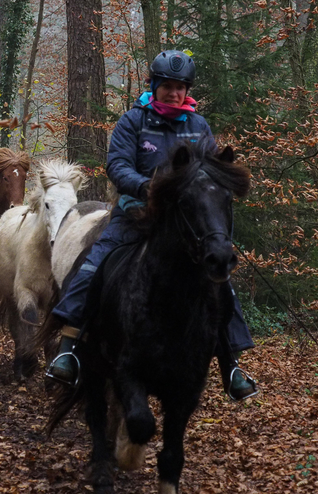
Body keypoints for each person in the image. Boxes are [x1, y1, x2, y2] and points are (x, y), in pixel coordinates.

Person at [47, 50, 258, 401]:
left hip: (184, 224)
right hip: (135, 215)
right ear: (155, 86)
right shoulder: (132, 122)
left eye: (180, 87)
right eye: (167, 86)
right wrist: (147, 187)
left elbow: (211, 171)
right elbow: (117, 166)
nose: (173, 93)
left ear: (187, 90)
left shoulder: (198, 127)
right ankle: (68, 348)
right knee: (93, 266)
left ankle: (231, 364)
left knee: (219, 279)